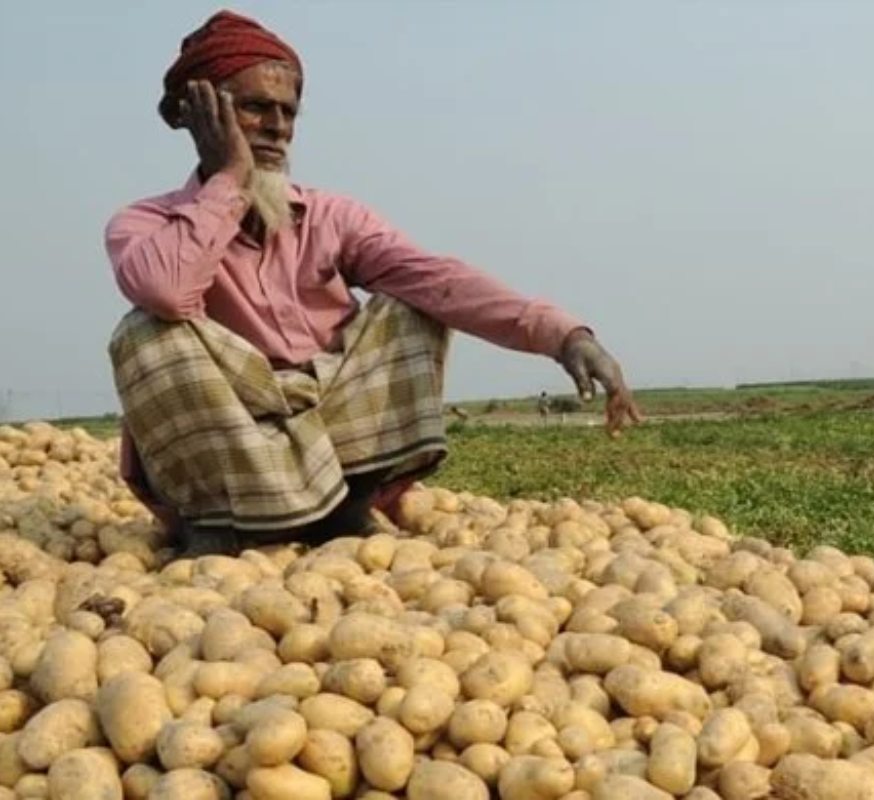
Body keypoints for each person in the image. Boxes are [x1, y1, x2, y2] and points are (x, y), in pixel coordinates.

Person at [105, 10, 641, 557]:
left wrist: (564, 335)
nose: (277, 128)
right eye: (255, 108)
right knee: (145, 331)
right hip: (233, 437)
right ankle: (219, 522)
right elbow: (167, 290)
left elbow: (438, 279)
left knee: (414, 304)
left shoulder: (331, 216)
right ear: (204, 117)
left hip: (331, 425)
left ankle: (343, 510)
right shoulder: (146, 224)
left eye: (287, 112)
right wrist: (228, 180)